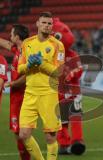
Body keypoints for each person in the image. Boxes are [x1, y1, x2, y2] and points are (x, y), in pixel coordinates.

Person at [18, 12, 65, 160]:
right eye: (44, 22)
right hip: (30, 94)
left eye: (49, 23)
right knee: (23, 134)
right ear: (37, 24)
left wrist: (42, 64)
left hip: (48, 95)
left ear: (52, 26)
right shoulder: (27, 43)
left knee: (50, 137)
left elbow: (59, 72)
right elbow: (19, 68)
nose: (47, 26)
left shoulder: (58, 45)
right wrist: (29, 65)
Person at [52, 17, 86, 155]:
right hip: (59, 93)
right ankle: (64, 145)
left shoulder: (72, 55)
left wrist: (71, 74)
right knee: (61, 121)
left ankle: (77, 141)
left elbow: (79, 69)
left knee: (75, 118)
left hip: (74, 93)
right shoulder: (52, 57)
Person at [0, 24, 30, 160]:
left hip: (22, 97)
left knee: (22, 133)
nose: (9, 37)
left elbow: (27, 77)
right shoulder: (17, 49)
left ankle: (27, 157)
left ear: (17, 37)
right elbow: (5, 43)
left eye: (11, 34)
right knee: (17, 132)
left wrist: (11, 83)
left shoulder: (27, 52)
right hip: (15, 96)